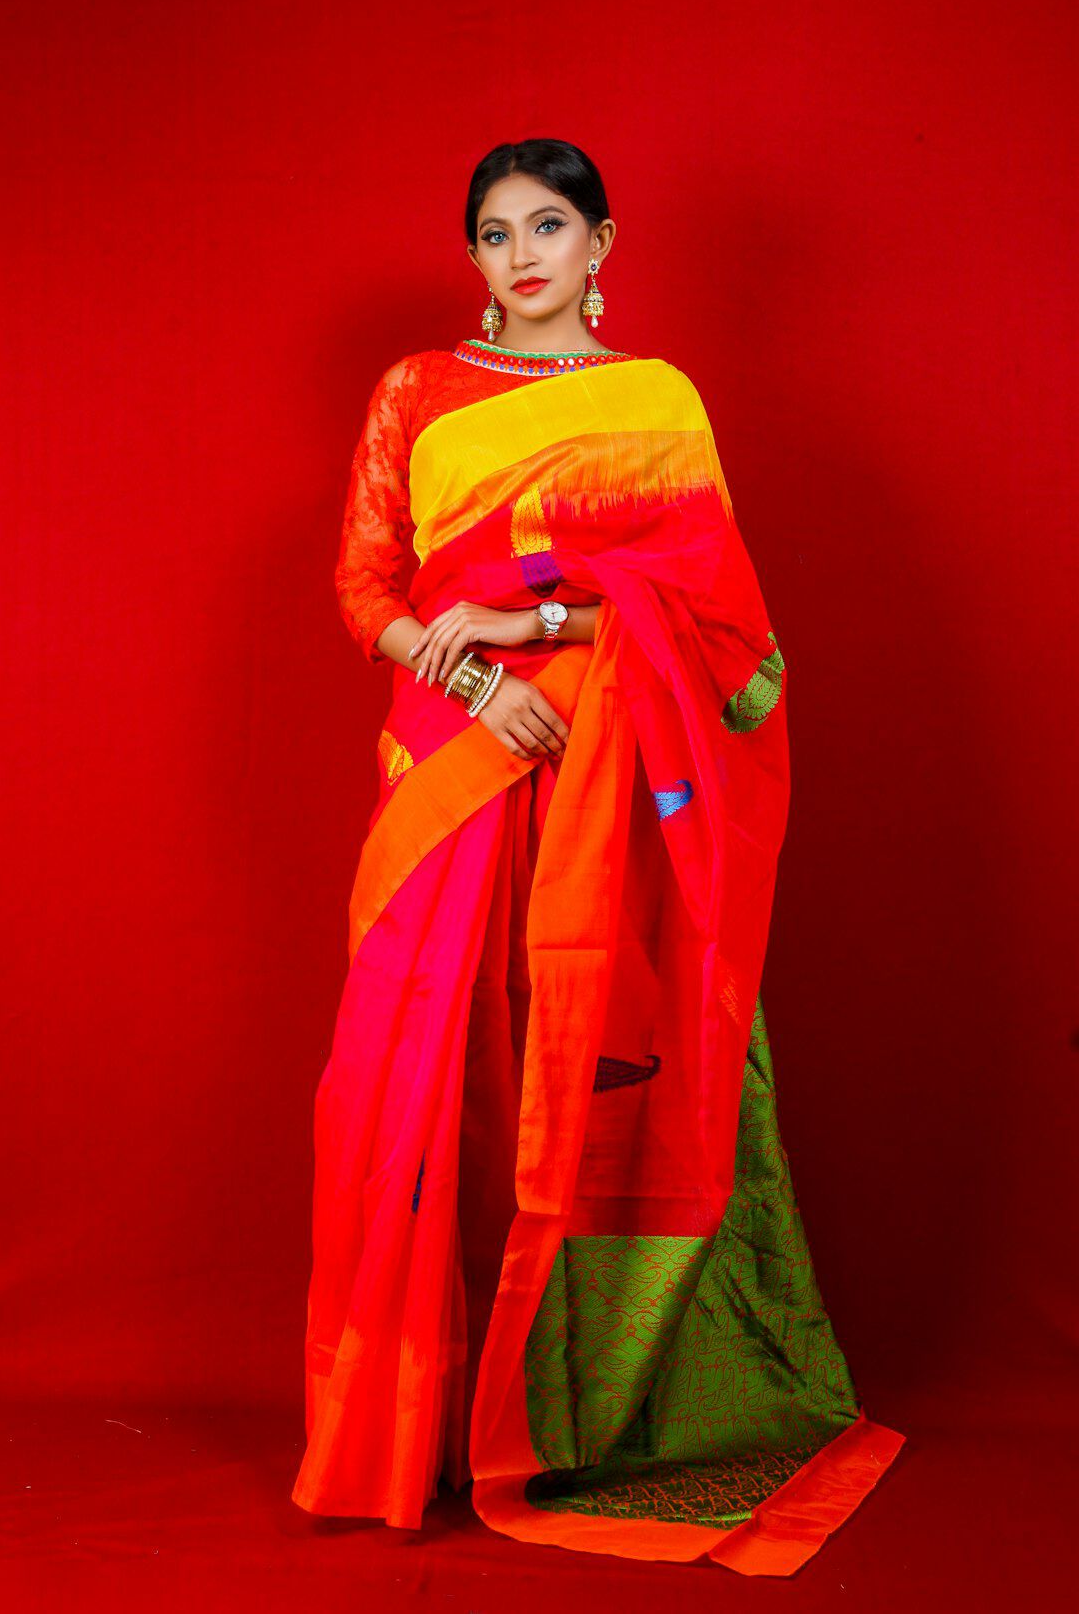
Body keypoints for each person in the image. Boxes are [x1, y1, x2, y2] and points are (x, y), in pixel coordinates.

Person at [291, 138, 904, 1575]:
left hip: (619, 767)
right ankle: (411, 1428)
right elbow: (366, 584)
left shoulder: (659, 405)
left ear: (603, 241)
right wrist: (468, 675)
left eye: (548, 225)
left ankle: (583, 1414)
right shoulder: (417, 393)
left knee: (590, 1066)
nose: (521, 255)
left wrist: (542, 631)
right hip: (451, 763)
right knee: (423, 1073)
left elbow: (733, 639)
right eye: (495, 234)